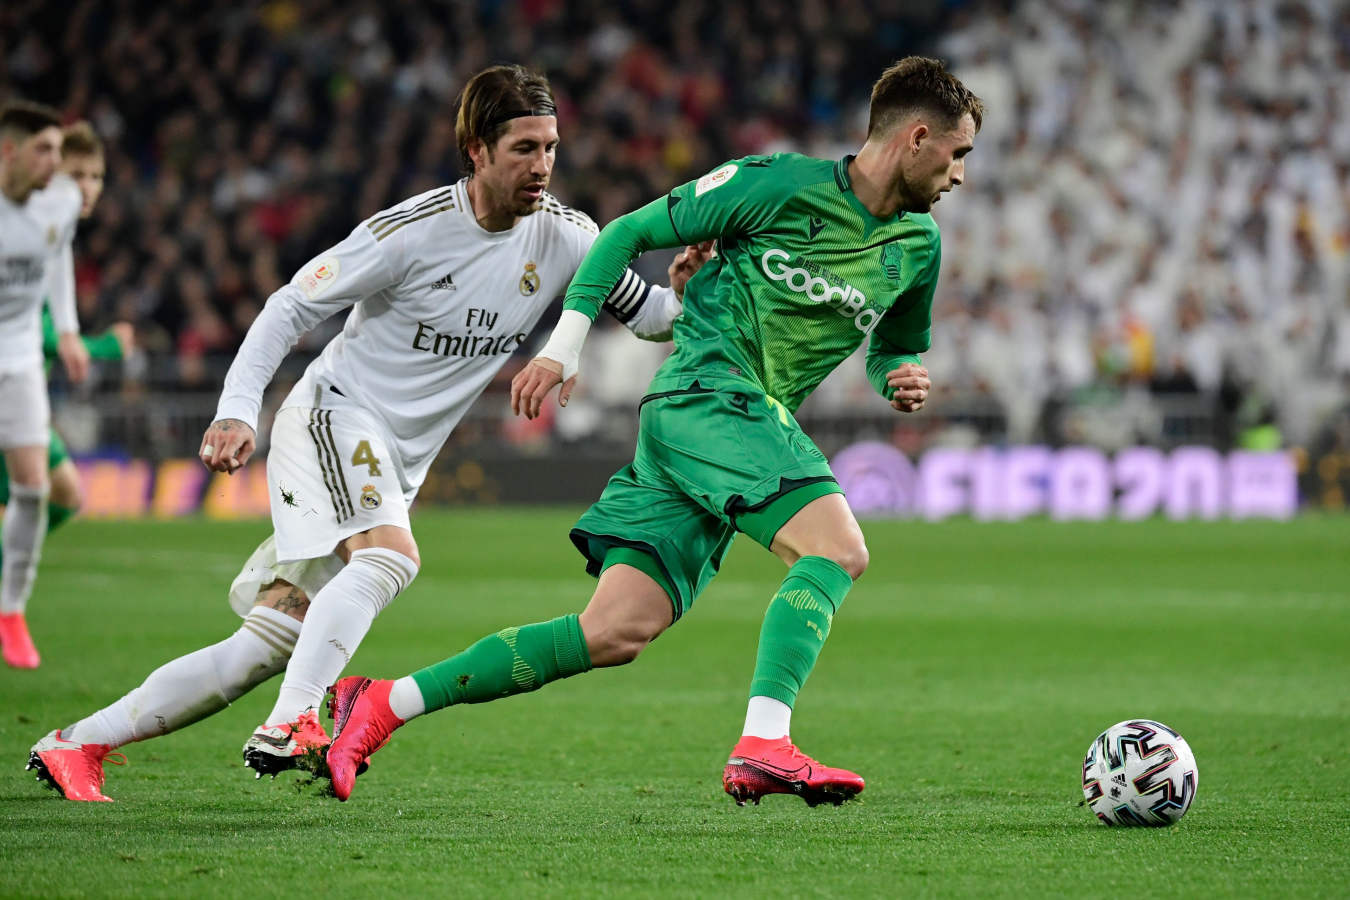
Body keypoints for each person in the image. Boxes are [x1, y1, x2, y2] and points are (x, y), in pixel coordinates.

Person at [27, 65, 707, 802]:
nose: (542, 166)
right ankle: (291, 724)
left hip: (391, 461)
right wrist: (234, 407)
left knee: (264, 645)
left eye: (550, 147)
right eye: (522, 149)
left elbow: (650, 318)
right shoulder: (407, 234)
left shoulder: (571, 237)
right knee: (390, 559)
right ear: (475, 150)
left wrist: (686, 288)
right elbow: (289, 307)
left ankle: (77, 743)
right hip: (334, 416)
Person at [324, 56, 983, 807]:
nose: (961, 174)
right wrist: (562, 347)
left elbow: (895, 346)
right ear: (918, 138)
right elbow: (624, 235)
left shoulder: (917, 246)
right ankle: (765, 741)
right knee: (838, 549)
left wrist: (900, 375)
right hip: (710, 397)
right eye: (959, 154)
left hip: (723, 428)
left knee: (614, 631)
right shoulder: (773, 183)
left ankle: (380, 703)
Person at [0, 122, 134, 656]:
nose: (87, 188)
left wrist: (80, 338)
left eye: (96, 176)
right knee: (54, 491)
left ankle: (10, 600)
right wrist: (102, 347)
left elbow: (42, 322)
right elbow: (43, 330)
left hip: (16, 379)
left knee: (56, 491)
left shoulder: (54, 231)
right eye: (76, 174)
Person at [0, 100, 90, 670]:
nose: (56, 163)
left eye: (60, 150)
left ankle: (11, 609)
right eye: (45, 150)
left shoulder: (61, 200)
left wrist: (70, 329)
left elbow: (58, 258)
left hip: (18, 355)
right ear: (9, 151)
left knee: (33, 488)